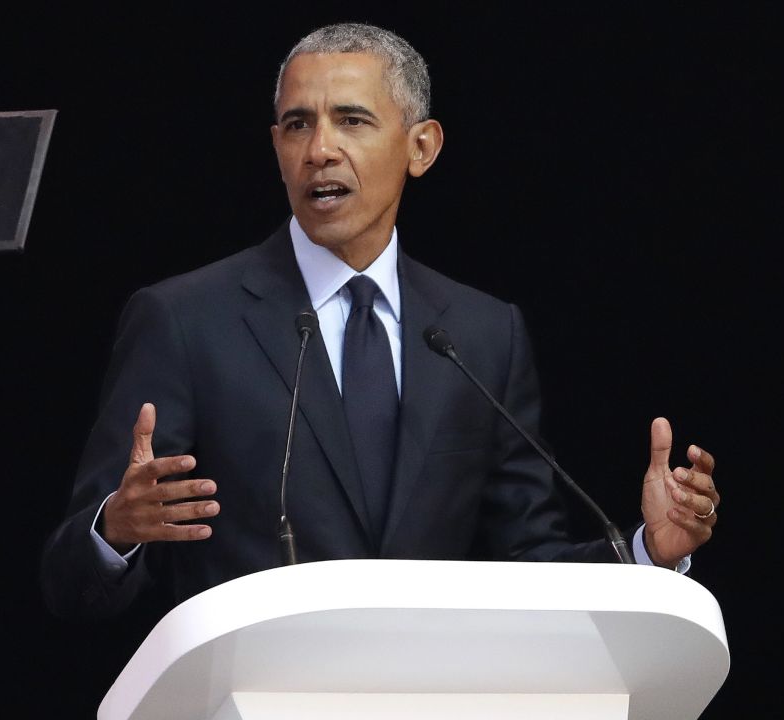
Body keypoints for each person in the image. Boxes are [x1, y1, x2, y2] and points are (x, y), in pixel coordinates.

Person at [41, 23, 721, 622]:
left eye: (352, 120)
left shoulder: (483, 336)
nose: (320, 150)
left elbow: (529, 563)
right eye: (298, 125)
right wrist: (115, 530)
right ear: (276, 147)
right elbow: (69, 585)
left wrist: (644, 552)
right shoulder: (185, 321)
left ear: (421, 147)